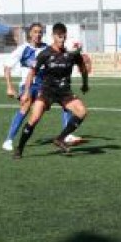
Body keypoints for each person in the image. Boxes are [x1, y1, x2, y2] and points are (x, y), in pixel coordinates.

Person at [14, 22, 89, 159]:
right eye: (59, 36)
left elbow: (83, 68)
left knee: (82, 111)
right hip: (47, 91)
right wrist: (26, 92)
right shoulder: (45, 54)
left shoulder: (72, 53)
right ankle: (19, 148)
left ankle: (60, 139)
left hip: (64, 92)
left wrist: (85, 84)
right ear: (54, 36)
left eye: (64, 37)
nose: (62, 39)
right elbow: (32, 72)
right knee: (34, 119)